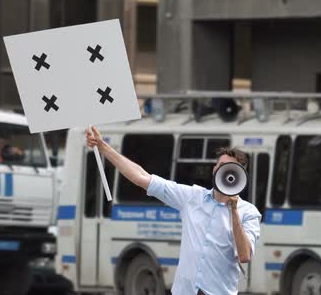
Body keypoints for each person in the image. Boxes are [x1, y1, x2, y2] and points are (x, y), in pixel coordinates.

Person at [86, 126, 261, 295]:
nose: (224, 172)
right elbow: (141, 177)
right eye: (221, 166)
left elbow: (244, 255)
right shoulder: (192, 197)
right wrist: (104, 147)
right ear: (215, 169)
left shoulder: (249, 213)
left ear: (240, 176)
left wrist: (234, 211)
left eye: (230, 169)